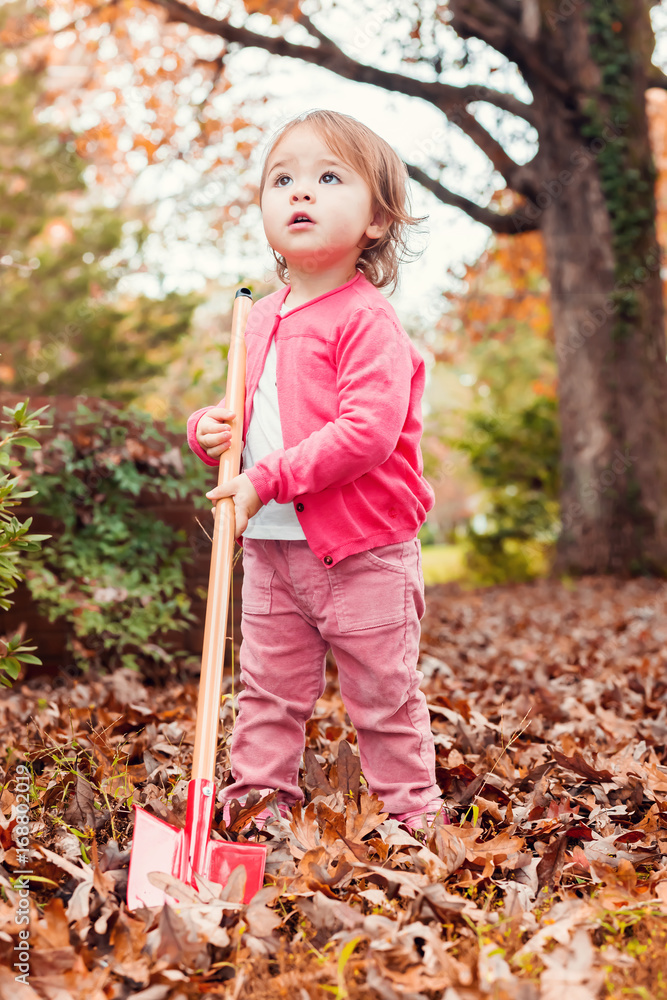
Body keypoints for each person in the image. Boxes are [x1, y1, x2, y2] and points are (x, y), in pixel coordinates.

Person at [186, 109, 448, 835]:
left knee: (382, 693)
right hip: (272, 549)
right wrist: (207, 430)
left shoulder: (366, 321)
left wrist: (264, 479)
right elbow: (245, 414)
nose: (299, 192)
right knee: (267, 692)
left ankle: (412, 817)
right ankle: (257, 812)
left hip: (363, 551)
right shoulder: (256, 317)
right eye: (283, 179)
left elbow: (366, 433)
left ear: (375, 220)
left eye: (328, 177)